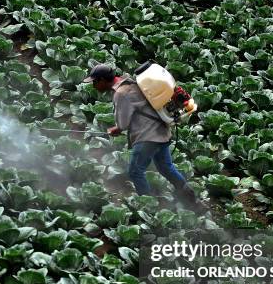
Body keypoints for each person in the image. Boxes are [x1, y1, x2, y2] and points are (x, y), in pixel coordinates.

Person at [83, 63, 201, 209]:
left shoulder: (121, 93)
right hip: (162, 131)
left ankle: (148, 207)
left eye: (95, 82)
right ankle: (192, 202)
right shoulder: (131, 82)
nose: (94, 86)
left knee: (135, 172)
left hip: (147, 137)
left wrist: (116, 129)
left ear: (102, 80)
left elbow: (123, 123)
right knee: (166, 168)